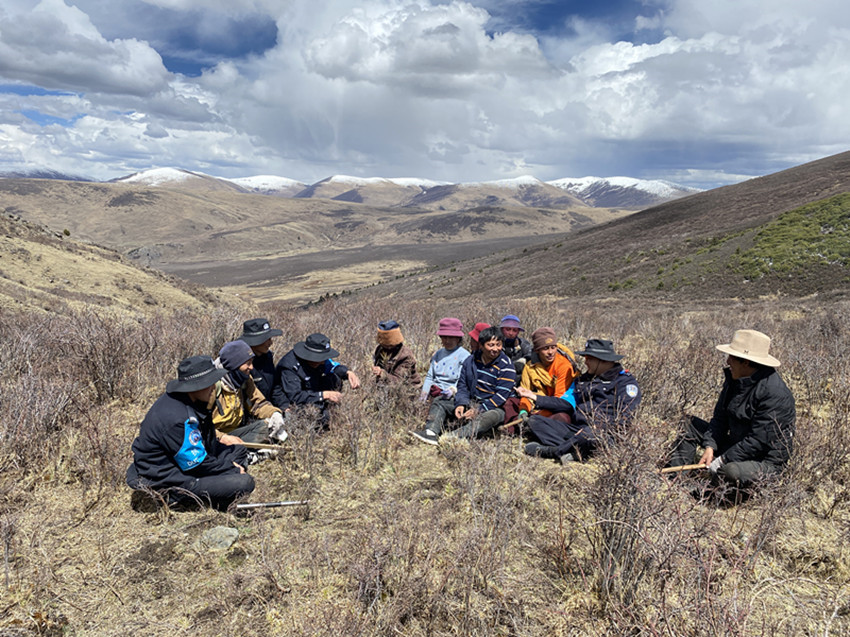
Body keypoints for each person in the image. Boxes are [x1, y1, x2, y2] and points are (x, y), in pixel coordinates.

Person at [667, 329, 795, 487]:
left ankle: (703, 494)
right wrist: (710, 446)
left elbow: (758, 442)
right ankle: (675, 482)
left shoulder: (776, 395)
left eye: (732, 357)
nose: (727, 362)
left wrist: (723, 460)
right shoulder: (736, 379)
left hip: (762, 461)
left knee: (730, 471)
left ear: (746, 362)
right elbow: (720, 418)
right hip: (736, 445)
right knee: (689, 424)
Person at [126, 355, 255, 511]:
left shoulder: (190, 401)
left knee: (238, 450)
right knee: (245, 482)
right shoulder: (178, 419)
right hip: (170, 477)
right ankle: (177, 498)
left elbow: (206, 445)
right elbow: (196, 464)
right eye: (210, 384)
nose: (214, 388)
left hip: (185, 462)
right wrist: (231, 469)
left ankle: (219, 488)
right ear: (196, 386)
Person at [520, 338, 641, 463]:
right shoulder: (582, 380)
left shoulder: (625, 383)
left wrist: (598, 427)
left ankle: (553, 451)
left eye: (589, 359)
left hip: (603, 434)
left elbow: (625, 417)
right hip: (577, 430)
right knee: (535, 421)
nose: (586, 362)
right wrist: (535, 397)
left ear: (602, 360)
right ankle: (577, 451)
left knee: (590, 435)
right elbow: (566, 403)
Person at [272, 333, 361, 428]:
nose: (322, 362)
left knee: (334, 378)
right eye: (319, 359)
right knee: (320, 417)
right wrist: (324, 395)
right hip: (290, 401)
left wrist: (348, 372)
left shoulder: (321, 361)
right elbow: (295, 396)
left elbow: (333, 366)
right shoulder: (289, 366)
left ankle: (327, 409)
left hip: (311, 391)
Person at [212, 340, 286, 445]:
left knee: (267, 426)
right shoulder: (212, 386)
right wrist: (221, 437)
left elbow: (258, 404)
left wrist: (274, 413)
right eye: (247, 363)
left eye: (252, 362)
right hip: (213, 435)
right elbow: (199, 425)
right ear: (234, 365)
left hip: (236, 432)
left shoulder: (245, 379)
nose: (251, 367)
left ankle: (239, 449)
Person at [410, 318, 471, 445]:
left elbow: (464, 381)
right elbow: (430, 376)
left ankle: (431, 432)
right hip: (435, 389)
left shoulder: (465, 356)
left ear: (458, 339)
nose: (447, 340)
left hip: (452, 394)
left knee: (439, 402)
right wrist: (424, 394)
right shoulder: (438, 354)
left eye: (451, 337)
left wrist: (453, 390)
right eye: (444, 337)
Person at [449, 326, 517, 439]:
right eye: (491, 345)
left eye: (498, 345)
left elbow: (500, 396)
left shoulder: (507, 366)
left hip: (496, 407)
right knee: (441, 402)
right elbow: (462, 385)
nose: (495, 349)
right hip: (473, 401)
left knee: (488, 418)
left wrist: (479, 410)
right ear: (481, 345)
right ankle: (430, 432)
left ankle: (453, 437)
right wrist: (461, 403)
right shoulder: (471, 361)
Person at [517, 327, 577, 421]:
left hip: (556, 407)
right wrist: (523, 410)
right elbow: (525, 392)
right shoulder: (530, 367)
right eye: (545, 348)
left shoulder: (564, 365)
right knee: (511, 404)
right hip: (536, 404)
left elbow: (559, 401)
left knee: (562, 417)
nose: (550, 352)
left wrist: (538, 417)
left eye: (553, 347)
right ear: (537, 350)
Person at [239, 318, 283, 400]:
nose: (270, 343)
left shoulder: (268, 357)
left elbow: (275, 388)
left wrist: (284, 405)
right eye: (267, 339)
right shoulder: (241, 364)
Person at [371, 320, 421, 386]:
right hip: (385, 386)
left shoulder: (406, 355)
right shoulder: (380, 349)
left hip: (408, 387)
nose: (384, 346)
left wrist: (382, 373)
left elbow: (398, 381)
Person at [499, 314, 533, 379]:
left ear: (518, 332)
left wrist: (523, 360)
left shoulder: (522, 343)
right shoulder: (496, 343)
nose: (511, 333)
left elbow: (531, 354)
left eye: (514, 330)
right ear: (502, 329)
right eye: (508, 329)